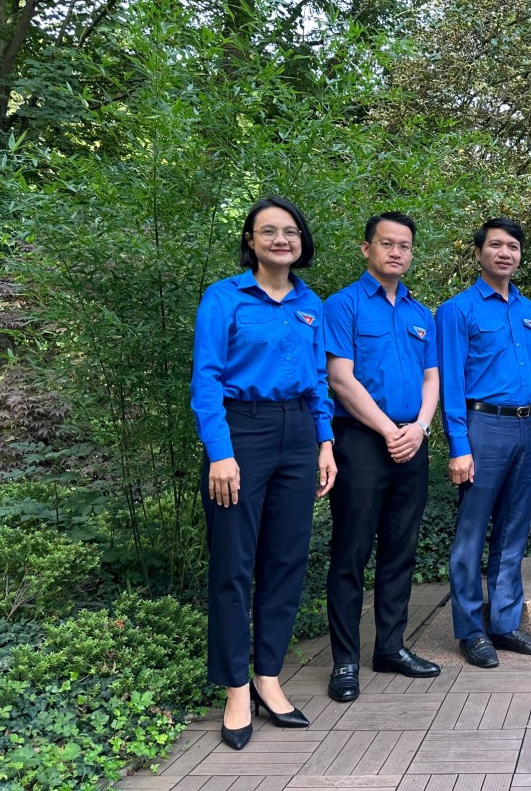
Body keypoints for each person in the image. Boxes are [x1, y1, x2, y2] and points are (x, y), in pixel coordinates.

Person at [190, 196, 337, 750]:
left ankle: (267, 677)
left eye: (291, 231)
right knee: (234, 563)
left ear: (302, 241)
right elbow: (205, 379)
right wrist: (221, 452)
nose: (282, 239)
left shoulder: (311, 304)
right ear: (250, 240)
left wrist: (325, 441)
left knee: (286, 558)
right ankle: (234, 688)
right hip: (241, 434)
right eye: (268, 231)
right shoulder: (224, 298)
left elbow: (319, 380)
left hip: (299, 434)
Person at [322, 212, 442, 704]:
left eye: (405, 246)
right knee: (351, 553)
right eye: (387, 244)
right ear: (366, 248)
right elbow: (340, 379)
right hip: (361, 442)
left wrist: (419, 428)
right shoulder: (342, 306)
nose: (397, 252)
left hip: (411, 442)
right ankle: (345, 660)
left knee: (400, 550)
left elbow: (432, 379)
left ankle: (390, 647)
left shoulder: (421, 314)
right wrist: (389, 429)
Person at [436, 218, 531, 668]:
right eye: (496, 245)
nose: (505, 253)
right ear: (480, 251)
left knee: (512, 530)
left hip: (525, 429)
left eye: (513, 247)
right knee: (472, 533)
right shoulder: (458, 310)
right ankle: (470, 630)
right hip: (482, 427)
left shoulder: (526, 308)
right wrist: (458, 445)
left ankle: (504, 624)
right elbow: (450, 382)